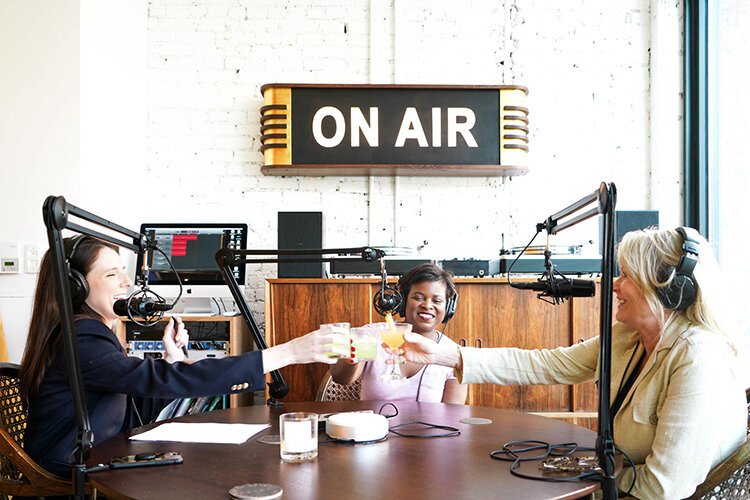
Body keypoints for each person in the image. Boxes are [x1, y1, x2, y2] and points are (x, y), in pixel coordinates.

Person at [397, 228, 746, 499]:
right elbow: (547, 365)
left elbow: (664, 488)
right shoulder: (628, 337)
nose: (615, 285)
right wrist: (441, 354)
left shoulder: (700, 359)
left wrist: (581, 473)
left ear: (667, 291)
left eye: (626, 276)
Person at [19, 236, 349, 477]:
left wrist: (173, 360)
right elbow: (158, 385)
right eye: (110, 275)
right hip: (65, 476)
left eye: (123, 271)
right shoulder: (82, 338)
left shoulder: (88, 333)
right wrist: (289, 352)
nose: (126, 282)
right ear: (76, 287)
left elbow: (131, 408)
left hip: (92, 460)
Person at [331, 263, 467, 404]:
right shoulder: (373, 334)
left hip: (429, 427)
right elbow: (340, 378)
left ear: (449, 308)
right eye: (418, 297)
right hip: (376, 425)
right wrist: (350, 362)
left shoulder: (453, 354)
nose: (427, 305)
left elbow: (453, 413)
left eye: (437, 300)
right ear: (402, 300)